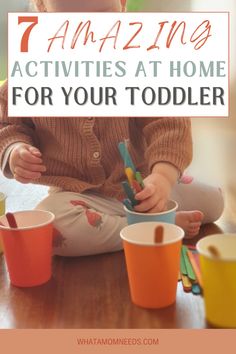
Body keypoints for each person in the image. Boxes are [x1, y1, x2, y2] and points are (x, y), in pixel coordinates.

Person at [0, 0, 224, 256]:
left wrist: (162, 178)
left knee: (215, 201)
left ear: (122, 4)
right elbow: (7, 124)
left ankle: (146, 213)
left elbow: (169, 124)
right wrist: (14, 150)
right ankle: (154, 224)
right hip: (77, 195)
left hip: (141, 185)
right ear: (43, 10)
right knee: (53, 225)